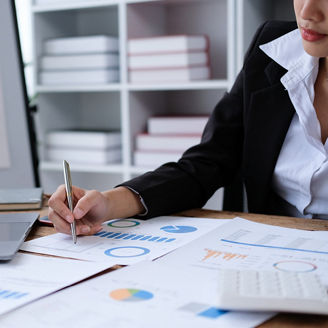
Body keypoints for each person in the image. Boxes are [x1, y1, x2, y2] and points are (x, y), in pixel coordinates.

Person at [49, 0, 328, 235]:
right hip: (270, 249)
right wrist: (108, 203)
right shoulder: (271, 50)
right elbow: (207, 162)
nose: (307, 12)